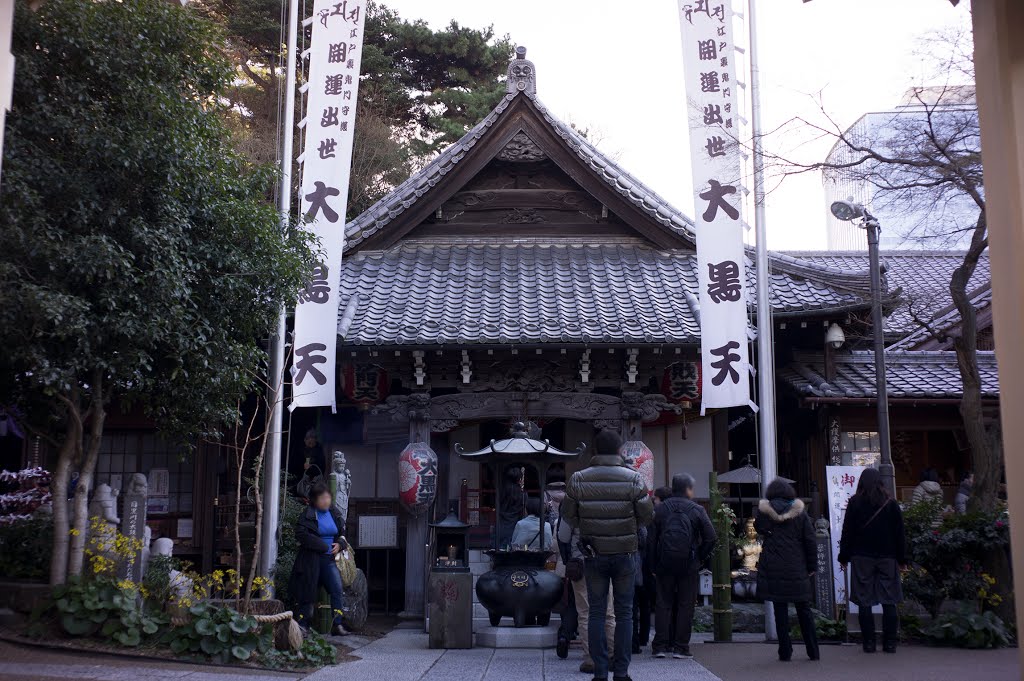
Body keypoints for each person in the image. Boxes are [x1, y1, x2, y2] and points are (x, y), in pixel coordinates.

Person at [563, 429, 654, 681]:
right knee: (624, 613)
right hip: (625, 552)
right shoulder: (634, 478)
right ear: (619, 451)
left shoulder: (578, 479)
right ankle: (622, 671)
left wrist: (587, 524)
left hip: (593, 553)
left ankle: (599, 671)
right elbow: (647, 516)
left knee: (595, 612)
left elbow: (568, 516)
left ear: (594, 450)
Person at [838, 467, 906, 653]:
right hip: (887, 557)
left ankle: (869, 643)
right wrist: (902, 559)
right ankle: (890, 643)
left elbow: (847, 533)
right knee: (889, 600)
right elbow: (899, 534)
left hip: (861, 557)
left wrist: (843, 556)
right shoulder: (891, 503)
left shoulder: (855, 502)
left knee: (864, 600)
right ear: (880, 483)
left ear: (861, 482)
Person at [650, 473, 716, 660]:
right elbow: (711, 537)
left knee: (663, 603)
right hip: (689, 564)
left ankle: (660, 646)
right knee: (686, 605)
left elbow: (651, 539)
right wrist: (700, 557)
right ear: (688, 489)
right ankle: (681, 647)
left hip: (664, 564)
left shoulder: (661, 509)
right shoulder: (697, 509)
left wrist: (653, 565)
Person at [755, 478, 819, 662]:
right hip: (797, 566)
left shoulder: (764, 512)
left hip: (774, 566)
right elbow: (810, 541)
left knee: (779, 609)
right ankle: (813, 651)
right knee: (804, 609)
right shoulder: (800, 513)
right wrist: (812, 566)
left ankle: (785, 651)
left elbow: (759, 528)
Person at [557, 506, 615, 674]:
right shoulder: (607, 506)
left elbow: (563, 536)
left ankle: (591, 660)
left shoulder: (573, 508)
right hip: (606, 561)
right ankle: (612, 655)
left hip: (581, 564)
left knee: (585, 613)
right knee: (608, 611)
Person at [289, 481, 349, 636]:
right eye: (322, 498)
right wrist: (322, 546)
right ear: (314, 500)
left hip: (329, 560)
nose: (326, 501)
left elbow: (342, 531)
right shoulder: (308, 515)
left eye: (328, 497)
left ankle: (337, 624)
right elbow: (301, 535)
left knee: (336, 589)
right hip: (311, 560)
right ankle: (303, 625)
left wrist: (341, 544)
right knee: (308, 593)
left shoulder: (334, 513)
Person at [631, 524, 653, 654]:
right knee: (643, 605)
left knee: (629, 607)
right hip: (639, 564)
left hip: (621, 561)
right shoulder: (640, 521)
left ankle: (630, 641)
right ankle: (641, 638)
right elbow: (644, 540)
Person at [498, 466, 526, 547]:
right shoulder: (522, 495)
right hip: (517, 526)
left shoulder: (502, 492)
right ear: (519, 479)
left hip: (502, 525)